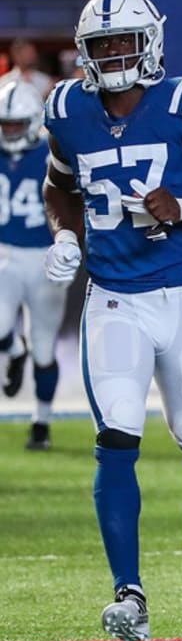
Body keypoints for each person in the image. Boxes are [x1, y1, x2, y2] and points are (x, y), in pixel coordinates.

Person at [41, 0, 182, 641]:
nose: (113, 55)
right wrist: (64, 235)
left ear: (150, 45)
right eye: (102, 45)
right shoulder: (67, 110)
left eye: (124, 42)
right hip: (112, 297)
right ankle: (130, 596)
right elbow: (60, 186)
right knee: (116, 440)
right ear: (85, 52)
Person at [0, 80, 68, 451]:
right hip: (4, 253)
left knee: (44, 347)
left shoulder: (52, 153)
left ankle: (41, 422)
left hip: (43, 255)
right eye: (4, 124)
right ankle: (13, 352)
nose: (9, 131)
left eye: (15, 124)